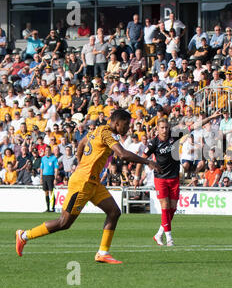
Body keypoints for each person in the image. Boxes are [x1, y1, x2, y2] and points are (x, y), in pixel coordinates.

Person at [15, 109, 161, 264]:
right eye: (125, 125)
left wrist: (80, 162)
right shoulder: (107, 134)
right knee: (64, 223)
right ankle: (24, 235)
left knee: (114, 212)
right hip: (82, 183)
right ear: (117, 123)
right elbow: (123, 154)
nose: (127, 129)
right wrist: (148, 161)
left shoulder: (98, 129)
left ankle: (103, 252)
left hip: (93, 183)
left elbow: (82, 143)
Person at [134, 110, 223, 247]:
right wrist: (136, 176)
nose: (164, 130)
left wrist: (210, 117)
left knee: (173, 208)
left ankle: (159, 234)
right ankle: (169, 238)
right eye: (162, 128)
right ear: (157, 129)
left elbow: (195, 126)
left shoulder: (174, 136)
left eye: (166, 127)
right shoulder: (153, 143)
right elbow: (141, 160)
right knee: (165, 206)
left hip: (174, 177)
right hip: (161, 178)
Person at [39, 145, 59, 212]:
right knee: (46, 192)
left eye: (48, 150)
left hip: (51, 176)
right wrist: (41, 178)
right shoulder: (43, 158)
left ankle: (52, 208)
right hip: (44, 176)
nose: (47, 151)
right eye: (46, 150)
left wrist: (55, 178)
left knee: (51, 192)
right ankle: (47, 208)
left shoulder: (54, 158)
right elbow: (41, 168)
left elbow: (56, 169)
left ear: (51, 151)